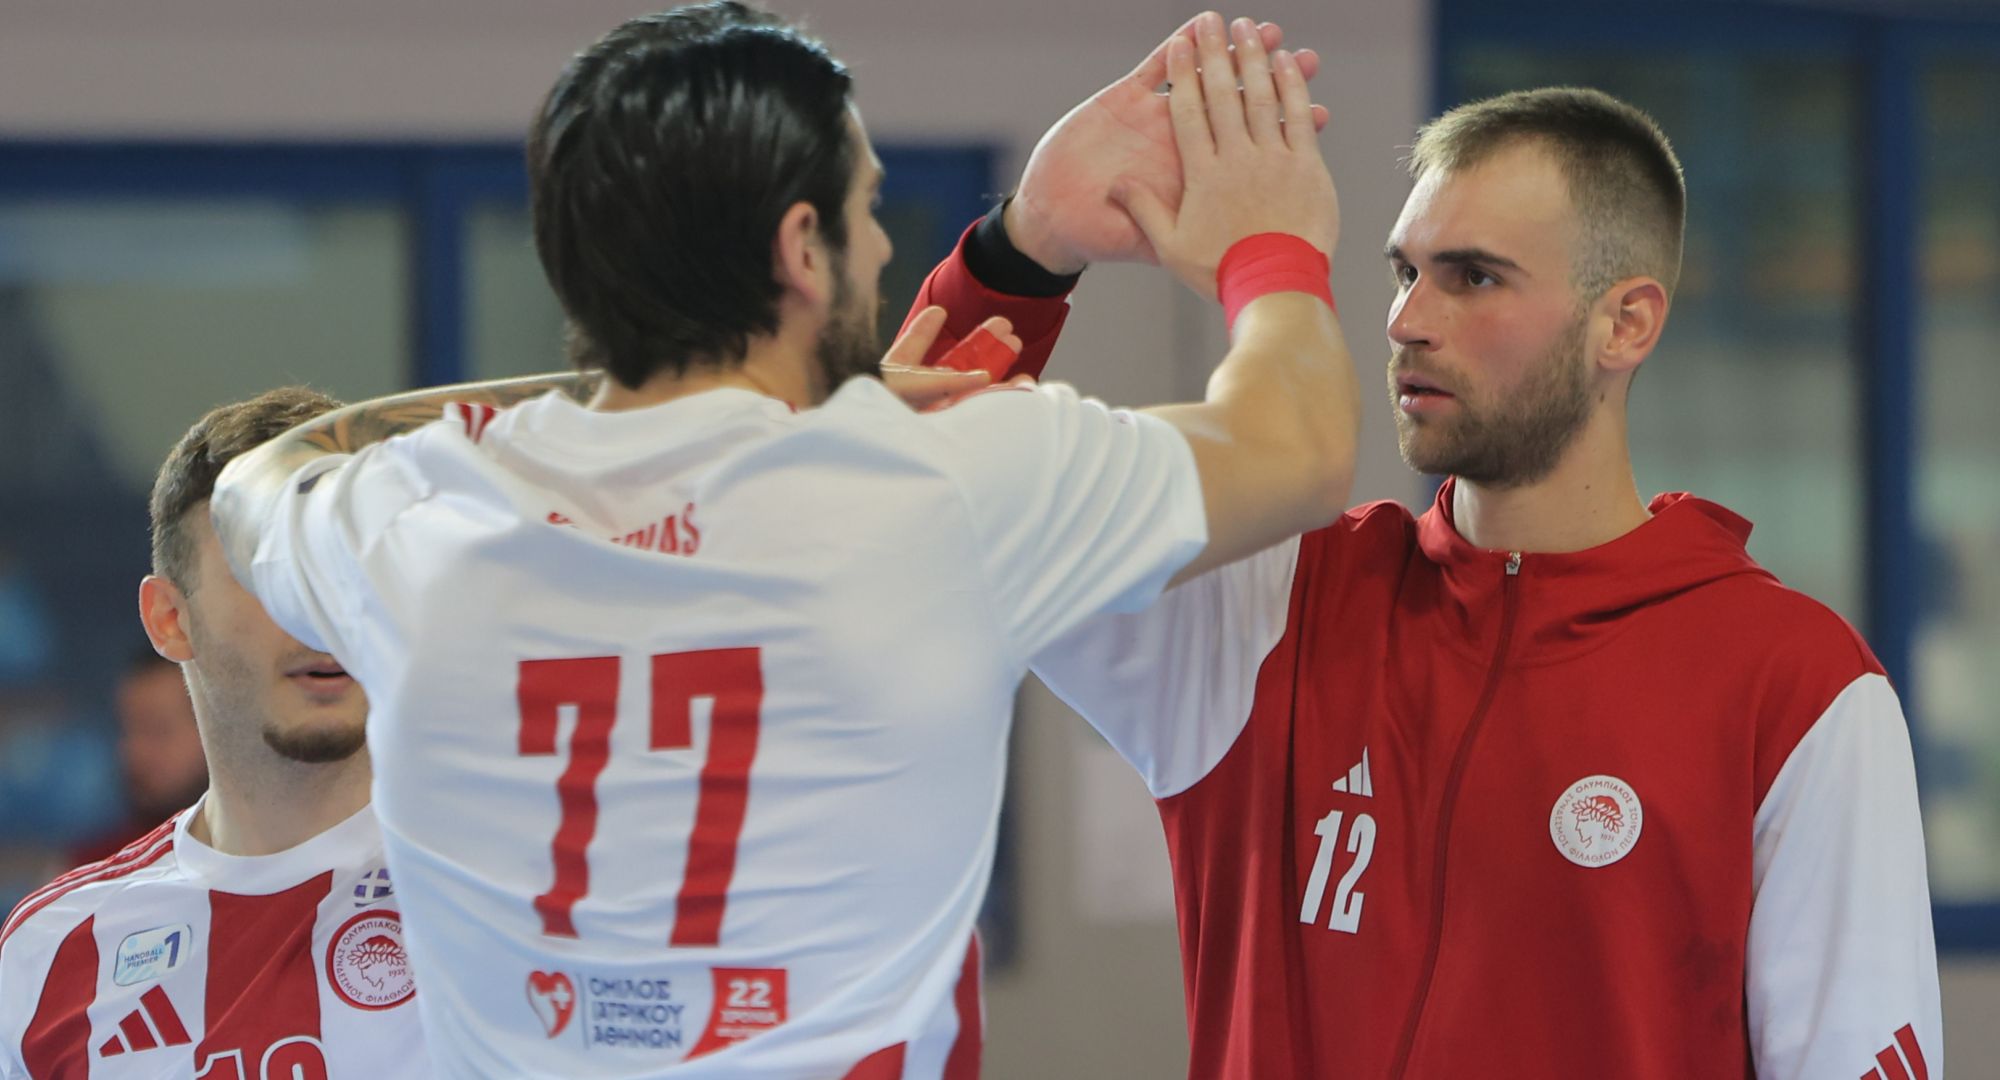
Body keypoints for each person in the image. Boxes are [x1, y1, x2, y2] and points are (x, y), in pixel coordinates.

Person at [207, 5, 1355, 1077]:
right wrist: (1270, 241)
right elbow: (1297, 443)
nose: (877, 250)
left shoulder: (415, 516)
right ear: (802, 248)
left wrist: (587, 399)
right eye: (866, 211)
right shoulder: (946, 483)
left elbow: (258, 479)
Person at [967, 86, 1941, 1078]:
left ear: (1624, 324)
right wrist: (1021, 252)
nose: (1406, 320)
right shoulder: (1265, 606)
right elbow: (935, 523)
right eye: (1405, 272)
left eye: (1473, 277)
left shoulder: (1793, 684)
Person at [0, 389, 429, 1079]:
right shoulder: (48, 954)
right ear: (170, 620)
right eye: (269, 573)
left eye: (344, 566)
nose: (318, 613)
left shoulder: (514, 884)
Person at [66, 650, 210, 867]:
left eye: (157, 730)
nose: (134, 750)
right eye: (126, 729)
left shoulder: (262, 857)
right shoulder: (96, 867)